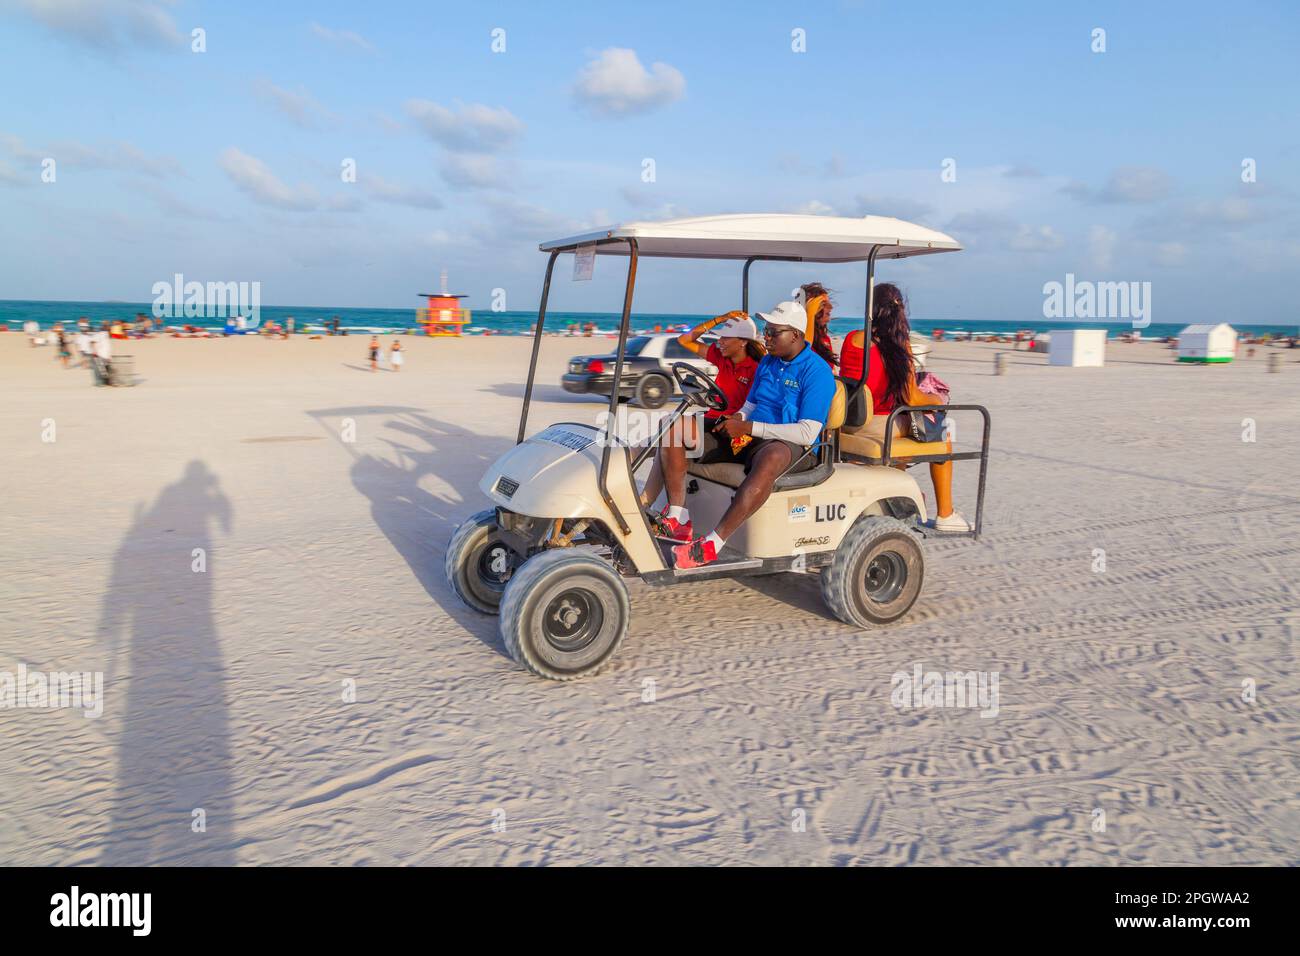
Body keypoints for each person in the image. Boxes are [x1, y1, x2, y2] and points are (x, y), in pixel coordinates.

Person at [662, 301, 835, 569]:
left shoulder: (817, 371)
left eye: (773, 333)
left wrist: (749, 427)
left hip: (788, 444)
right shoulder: (768, 362)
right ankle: (678, 517)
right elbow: (751, 405)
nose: (766, 338)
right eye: (766, 331)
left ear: (796, 336)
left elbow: (807, 432)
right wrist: (739, 417)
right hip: (750, 434)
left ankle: (712, 544)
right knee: (676, 428)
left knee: (772, 456)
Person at [840, 282, 970, 532]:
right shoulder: (897, 345)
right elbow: (912, 398)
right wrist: (936, 400)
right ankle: (945, 513)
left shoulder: (851, 339)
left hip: (849, 422)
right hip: (879, 425)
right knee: (942, 434)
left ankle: (896, 492)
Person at [640, 312, 764, 534]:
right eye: (719, 337)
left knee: (669, 429)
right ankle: (645, 504)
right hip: (711, 423)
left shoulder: (757, 369)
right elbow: (685, 340)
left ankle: (676, 514)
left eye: (726, 338)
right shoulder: (721, 357)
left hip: (733, 434)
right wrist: (719, 319)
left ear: (743, 342)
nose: (719, 342)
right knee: (666, 429)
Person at [797, 282, 837, 368]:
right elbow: (803, 357)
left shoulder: (824, 339)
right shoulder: (795, 337)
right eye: (823, 304)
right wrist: (810, 314)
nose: (830, 307)